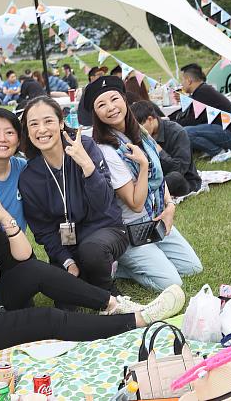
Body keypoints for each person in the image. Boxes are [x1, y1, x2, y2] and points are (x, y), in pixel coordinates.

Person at [0, 155, 185, 360]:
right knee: (44, 319)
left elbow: (23, 258)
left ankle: (112, 303)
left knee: (35, 271)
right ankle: (136, 320)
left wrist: (6, 219)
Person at [85, 76, 203, 290]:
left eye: (114, 99)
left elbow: (159, 176)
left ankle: (150, 259)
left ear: (124, 99)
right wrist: (143, 166)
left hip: (156, 220)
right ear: (96, 114)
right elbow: (135, 203)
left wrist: (169, 207)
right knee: (171, 282)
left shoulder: (141, 132)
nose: (110, 108)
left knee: (193, 268)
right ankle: (116, 265)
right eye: (101, 105)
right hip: (131, 231)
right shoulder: (106, 150)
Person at [18, 96, 130, 294]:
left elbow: (103, 203)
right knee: (62, 296)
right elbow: (43, 229)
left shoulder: (84, 147)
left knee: (92, 252)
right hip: (68, 244)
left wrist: (87, 166)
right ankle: (90, 273)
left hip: (104, 231)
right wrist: (67, 261)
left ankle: (108, 291)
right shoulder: (29, 176)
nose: (41, 129)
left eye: (48, 121)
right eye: (33, 124)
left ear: (61, 122)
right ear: (27, 130)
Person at [131, 100, 202, 197]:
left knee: (175, 177)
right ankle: (146, 193)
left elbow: (180, 169)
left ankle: (147, 194)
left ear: (150, 119)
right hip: (156, 177)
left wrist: (158, 150)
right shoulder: (139, 136)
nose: (138, 132)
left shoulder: (177, 132)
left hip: (184, 180)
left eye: (140, 128)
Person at [173, 63, 231, 163]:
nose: (181, 83)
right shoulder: (201, 91)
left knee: (185, 132)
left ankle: (219, 152)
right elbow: (187, 112)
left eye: (182, 80)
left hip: (230, 135)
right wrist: (169, 119)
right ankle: (213, 149)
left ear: (189, 81)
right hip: (227, 131)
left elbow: (193, 120)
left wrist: (172, 125)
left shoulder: (203, 92)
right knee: (187, 130)